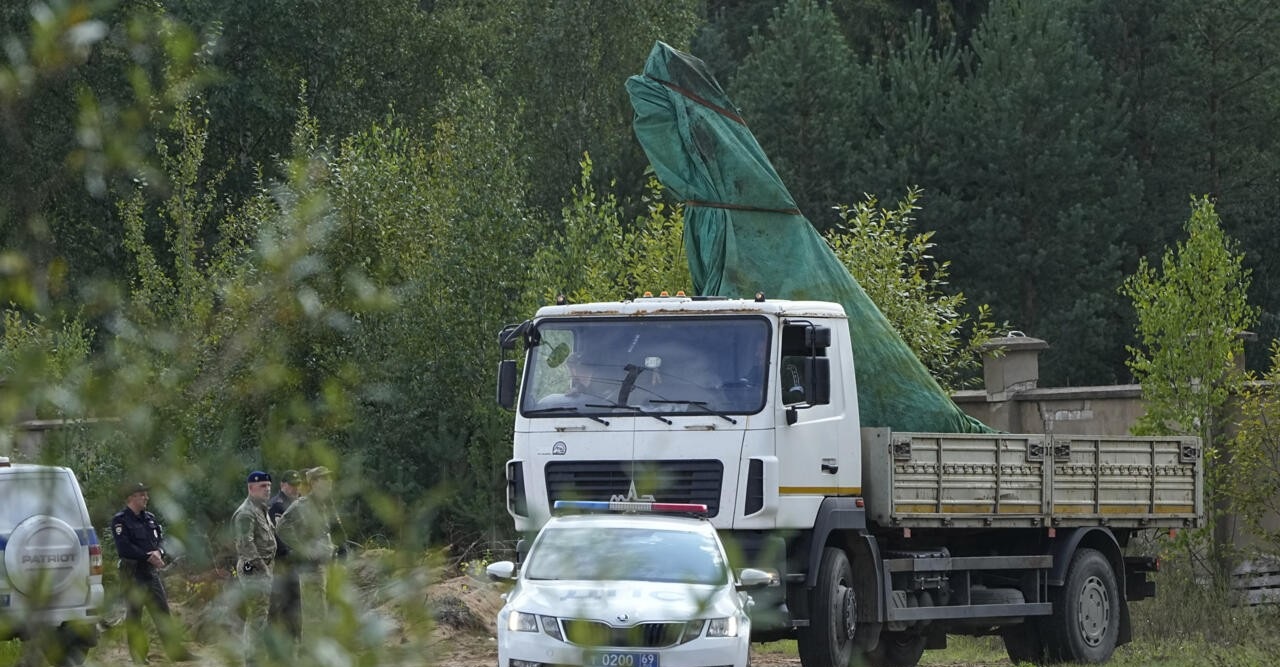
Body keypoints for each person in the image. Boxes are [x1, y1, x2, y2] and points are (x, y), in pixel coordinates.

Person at [110, 482, 193, 664]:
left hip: (151, 573)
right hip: (132, 575)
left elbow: (161, 541)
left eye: (146, 494)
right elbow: (124, 549)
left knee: (163, 612)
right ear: (131, 497)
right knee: (135, 617)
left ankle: (176, 652)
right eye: (142, 494)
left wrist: (160, 553)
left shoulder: (150, 519)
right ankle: (139, 657)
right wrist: (148, 556)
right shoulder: (120, 521)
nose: (146, 497)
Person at [276, 466, 337, 643]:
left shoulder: (323, 504)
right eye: (325, 479)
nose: (329, 483)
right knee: (314, 616)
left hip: (322, 565)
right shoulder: (302, 505)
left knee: (321, 613)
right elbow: (282, 527)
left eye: (330, 479)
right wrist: (303, 549)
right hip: (310, 569)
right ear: (314, 483)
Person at [232, 471, 277, 667]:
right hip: (254, 570)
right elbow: (245, 545)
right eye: (262, 486)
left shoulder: (261, 508)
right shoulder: (246, 512)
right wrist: (263, 569)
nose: (267, 489)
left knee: (262, 614)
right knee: (257, 615)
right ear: (251, 488)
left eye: (268, 486)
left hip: (266, 567)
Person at [267, 470, 303, 646]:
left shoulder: (299, 502)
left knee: (294, 600)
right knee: (281, 601)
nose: (294, 488)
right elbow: (277, 534)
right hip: (282, 560)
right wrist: (291, 552)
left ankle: (294, 638)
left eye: (297, 484)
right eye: (291, 484)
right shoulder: (277, 505)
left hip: (297, 558)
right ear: (282, 485)